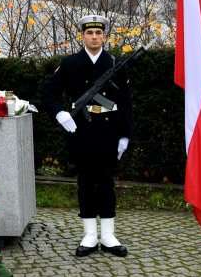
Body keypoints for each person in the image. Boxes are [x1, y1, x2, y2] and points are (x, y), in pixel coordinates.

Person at [41, 15, 133, 257]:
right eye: (90, 33)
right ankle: (90, 235)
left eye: (98, 33)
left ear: (104, 36)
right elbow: (48, 93)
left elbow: (125, 101)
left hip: (108, 131)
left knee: (105, 182)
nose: (94, 37)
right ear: (82, 36)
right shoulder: (70, 63)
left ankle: (108, 235)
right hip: (80, 130)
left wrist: (125, 134)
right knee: (85, 183)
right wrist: (60, 113)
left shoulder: (115, 62)